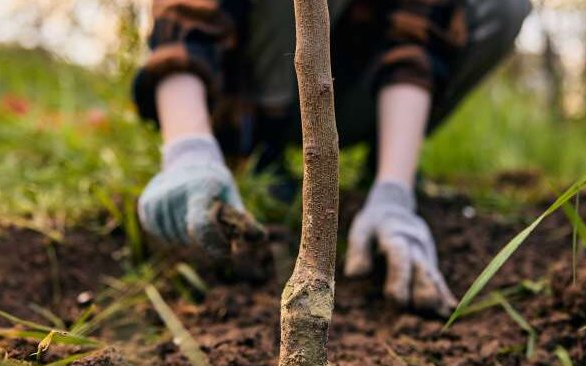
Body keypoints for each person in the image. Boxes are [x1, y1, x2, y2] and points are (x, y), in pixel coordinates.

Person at [133, 0, 531, 317]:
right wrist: (187, 147)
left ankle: (386, 170)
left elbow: (418, 35)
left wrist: (394, 191)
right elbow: (184, 16)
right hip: (246, 80)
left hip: (350, 82)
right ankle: (260, 153)